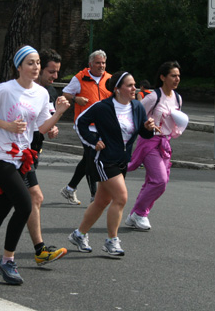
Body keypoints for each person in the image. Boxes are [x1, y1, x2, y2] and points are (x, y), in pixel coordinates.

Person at [0, 45, 69, 285]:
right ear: (19, 66)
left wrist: (59, 113)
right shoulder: (5, 89)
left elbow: (40, 129)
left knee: (0, 211)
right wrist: (6, 125)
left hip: (21, 158)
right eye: (30, 63)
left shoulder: (42, 93)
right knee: (24, 205)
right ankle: (7, 261)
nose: (35, 67)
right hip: (0, 156)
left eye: (37, 63)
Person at [68, 71, 155, 256]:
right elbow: (79, 123)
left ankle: (79, 234)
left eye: (134, 85)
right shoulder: (103, 107)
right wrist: (93, 141)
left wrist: (148, 129)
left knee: (102, 201)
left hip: (122, 160)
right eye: (129, 85)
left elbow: (142, 132)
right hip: (103, 159)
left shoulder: (137, 107)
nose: (134, 88)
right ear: (117, 89)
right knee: (121, 198)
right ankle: (111, 241)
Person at [125, 61, 183, 230]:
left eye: (178, 75)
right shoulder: (153, 97)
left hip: (165, 143)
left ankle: (135, 215)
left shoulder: (178, 98)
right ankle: (140, 213)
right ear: (163, 77)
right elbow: (135, 113)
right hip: (150, 142)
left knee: (153, 181)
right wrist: (146, 125)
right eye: (173, 75)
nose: (177, 79)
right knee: (159, 180)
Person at [60, 50, 112, 205]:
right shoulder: (80, 78)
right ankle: (94, 196)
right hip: (85, 126)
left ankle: (69, 189)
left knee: (88, 158)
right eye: (97, 63)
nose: (101, 66)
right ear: (90, 64)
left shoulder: (109, 79)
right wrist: (77, 99)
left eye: (103, 63)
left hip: (102, 126)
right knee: (92, 155)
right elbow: (65, 93)